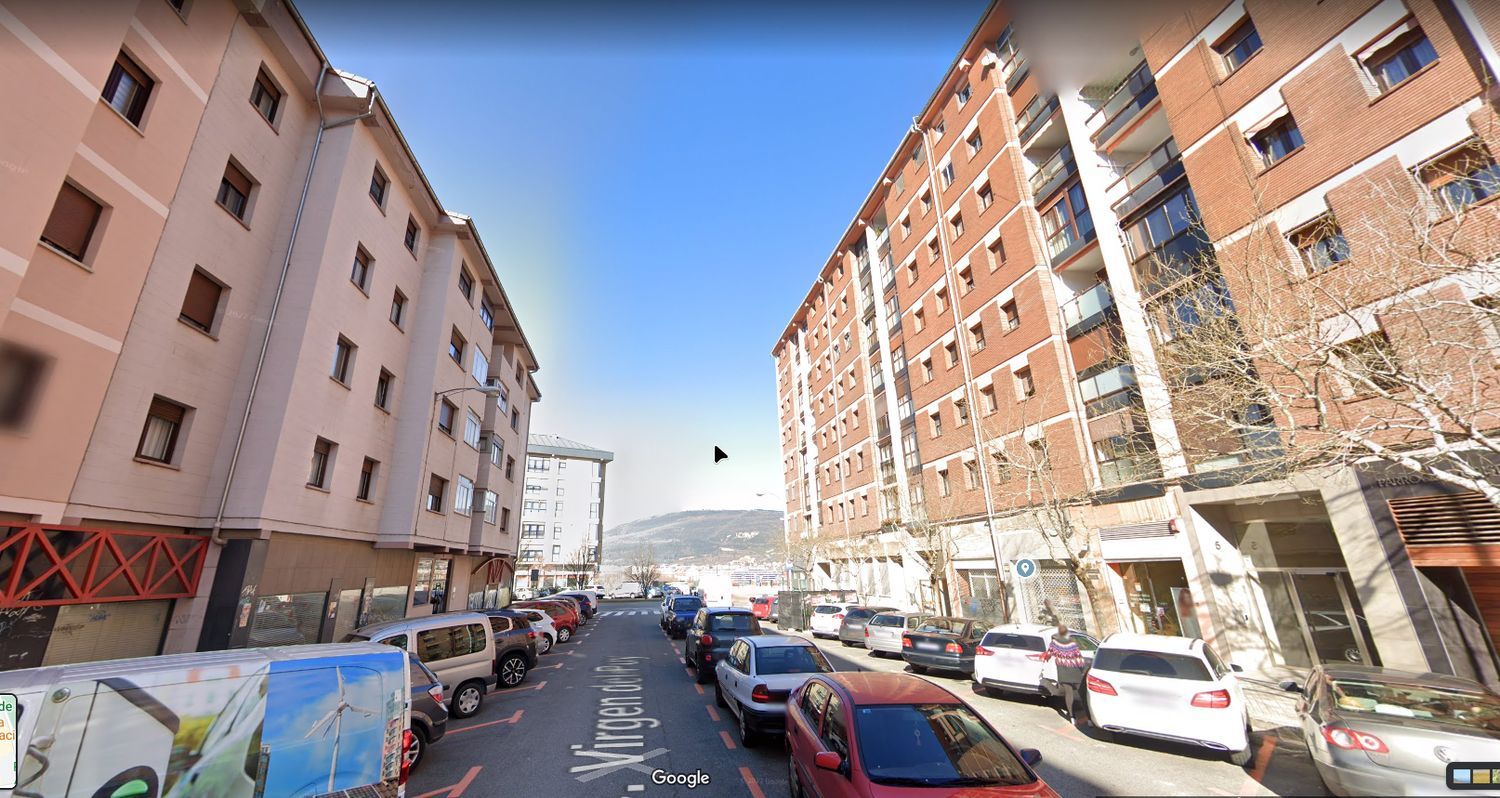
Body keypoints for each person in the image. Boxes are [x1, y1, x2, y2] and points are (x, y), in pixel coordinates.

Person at [1042, 622, 1090, 724]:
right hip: (1075, 671)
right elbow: (1079, 658)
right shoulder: (1072, 643)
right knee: (1082, 694)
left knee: (1069, 694)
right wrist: (1082, 670)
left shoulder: (1054, 643)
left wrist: (1046, 658)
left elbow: (1048, 654)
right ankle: (1088, 718)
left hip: (1063, 672)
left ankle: (1072, 717)